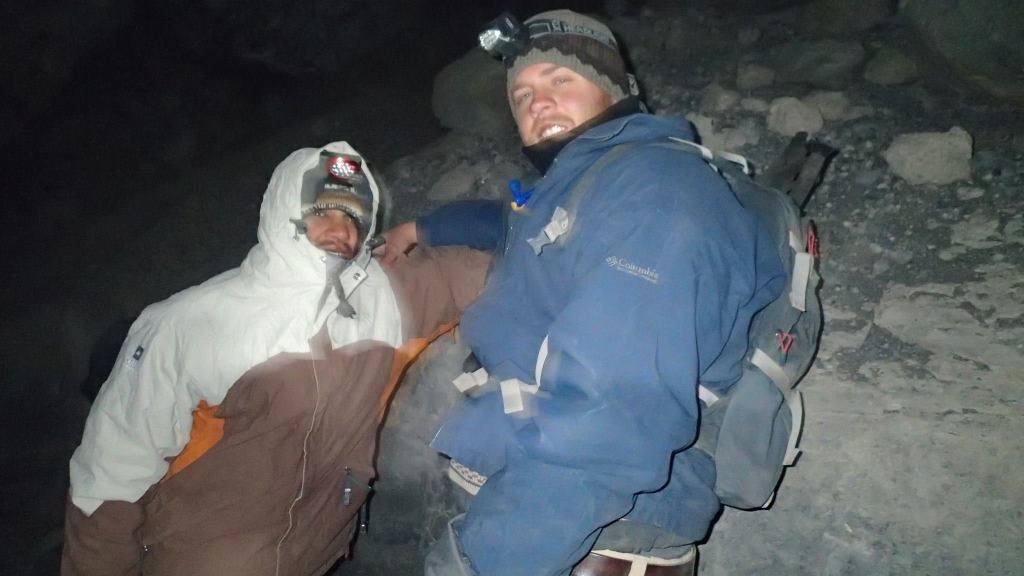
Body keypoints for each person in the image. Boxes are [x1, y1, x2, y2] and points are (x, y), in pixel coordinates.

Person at [379, 10, 786, 576]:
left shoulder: (656, 198)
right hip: (542, 503)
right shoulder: (592, 180)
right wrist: (420, 229)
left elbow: (605, 425)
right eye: (521, 94)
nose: (537, 103)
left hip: (590, 537)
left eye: (560, 80)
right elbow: (516, 223)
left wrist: (477, 563)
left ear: (616, 88)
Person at [61, 141, 490, 576]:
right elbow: (110, 480)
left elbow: (485, 269)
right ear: (285, 209)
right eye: (322, 211)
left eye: (354, 217)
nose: (341, 230)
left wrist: (427, 230)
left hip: (314, 557)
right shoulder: (187, 325)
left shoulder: (384, 299)